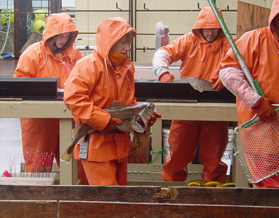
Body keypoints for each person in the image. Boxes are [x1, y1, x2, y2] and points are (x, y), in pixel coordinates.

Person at [63, 17, 160, 186]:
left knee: (117, 201)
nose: (127, 48)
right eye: (122, 42)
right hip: (96, 148)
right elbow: (74, 99)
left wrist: (142, 119)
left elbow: (129, 104)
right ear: (110, 42)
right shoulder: (88, 65)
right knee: (110, 204)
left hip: (120, 150)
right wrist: (105, 120)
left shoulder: (126, 68)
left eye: (128, 42)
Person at [153, 7, 233, 184]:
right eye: (207, 28)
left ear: (220, 28)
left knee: (214, 158)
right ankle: (172, 191)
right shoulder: (189, 40)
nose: (210, 32)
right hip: (187, 106)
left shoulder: (230, 44)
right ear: (200, 28)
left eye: (214, 28)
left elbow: (242, 66)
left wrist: (227, 76)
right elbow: (162, 53)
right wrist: (162, 73)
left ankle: (213, 194)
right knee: (177, 155)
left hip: (216, 108)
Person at [13, 13, 84, 173]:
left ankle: (75, 197)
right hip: (39, 123)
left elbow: (87, 79)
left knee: (75, 168)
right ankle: (37, 197)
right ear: (52, 34)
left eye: (67, 36)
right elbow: (20, 86)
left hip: (68, 120)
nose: (63, 40)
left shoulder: (74, 55)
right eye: (60, 36)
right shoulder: (32, 55)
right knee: (37, 168)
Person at [219, 0, 279, 188]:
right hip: (261, 136)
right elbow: (228, 72)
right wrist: (256, 101)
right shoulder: (254, 39)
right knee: (268, 196)